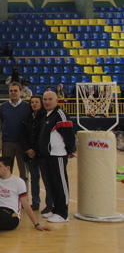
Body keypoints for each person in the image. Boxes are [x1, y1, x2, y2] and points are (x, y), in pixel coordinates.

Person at [39, 91, 76, 223]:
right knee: (52, 183)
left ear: (56, 100)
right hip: (48, 156)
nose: (47, 102)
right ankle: (55, 209)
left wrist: (70, 150)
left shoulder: (60, 115)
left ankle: (63, 213)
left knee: (61, 183)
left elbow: (69, 134)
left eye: (50, 99)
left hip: (58, 155)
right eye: (45, 99)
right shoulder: (47, 115)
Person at [0, 82, 31, 190]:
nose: (13, 93)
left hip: (23, 144)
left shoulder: (27, 107)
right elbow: (2, 123)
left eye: (15, 91)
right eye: (11, 91)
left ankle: (24, 197)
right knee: (6, 171)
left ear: (21, 92)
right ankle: (8, 195)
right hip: (7, 143)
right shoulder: (3, 107)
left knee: (24, 173)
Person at [23, 95, 51, 214]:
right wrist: (28, 149)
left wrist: (35, 149)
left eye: (36, 102)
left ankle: (50, 203)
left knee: (46, 178)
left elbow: (43, 136)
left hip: (42, 153)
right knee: (34, 178)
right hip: (30, 153)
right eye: (32, 102)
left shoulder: (45, 117)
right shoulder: (28, 117)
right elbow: (24, 135)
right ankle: (35, 202)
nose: (34, 104)